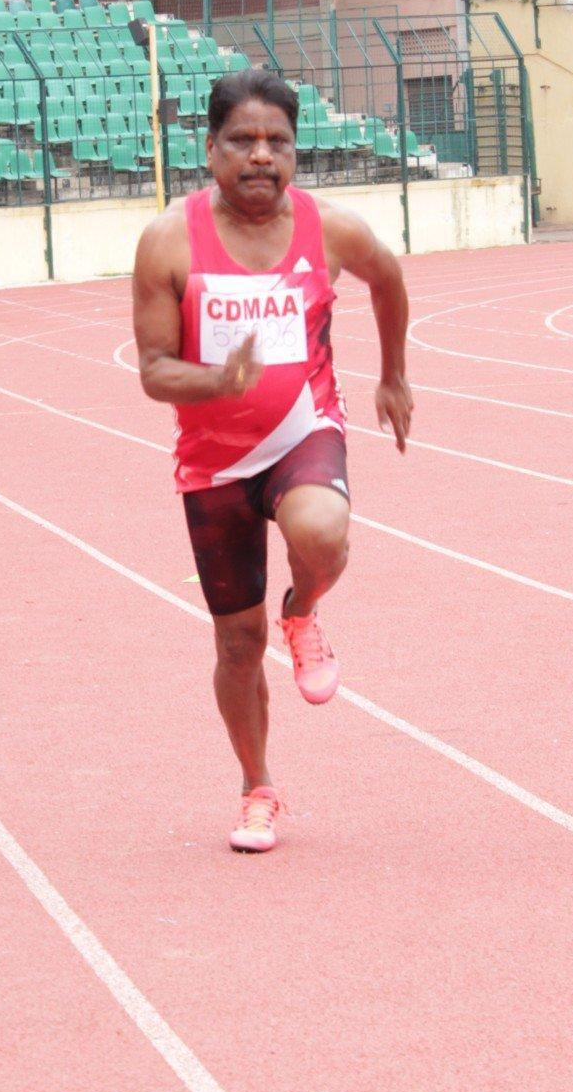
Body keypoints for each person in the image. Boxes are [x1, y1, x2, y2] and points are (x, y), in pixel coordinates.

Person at [132, 66, 413, 853]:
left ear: (296, 152)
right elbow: (154, 369)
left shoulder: (333, 230)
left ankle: (305, 607)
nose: (262, 156)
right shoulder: (167, 241)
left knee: (322, 532)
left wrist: (392, 374)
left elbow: (389, 277)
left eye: (278, 142)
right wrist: (219, 380)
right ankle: (257, 784)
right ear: (211, 150)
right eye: (243, 141)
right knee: (234, 645)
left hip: (303, 431)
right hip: (213, 461)